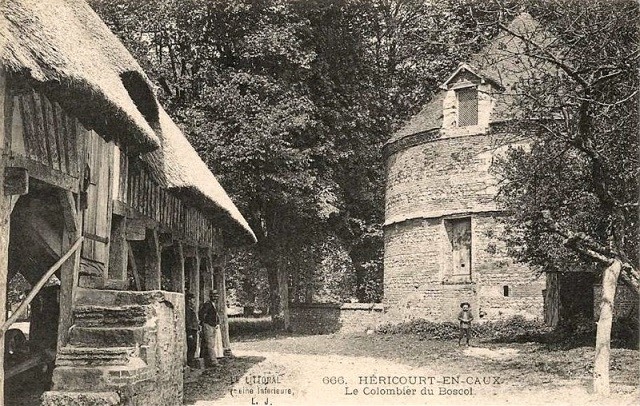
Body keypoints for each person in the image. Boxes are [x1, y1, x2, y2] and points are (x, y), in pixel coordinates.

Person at [199, 290, 223, 367]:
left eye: (216, 296)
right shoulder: (207, 304)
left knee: (209, 344)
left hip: (212, 325)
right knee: (210, 344)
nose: (215, 297)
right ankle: (214, 362)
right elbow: (202, 314)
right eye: (214, 296)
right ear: (210, 296)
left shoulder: (213, 304)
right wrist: (204, 323)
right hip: (208, 325)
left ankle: (206, 360)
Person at [185, 293, 199, 367]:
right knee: (191, 347)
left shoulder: (190, 309)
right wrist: (190, 333)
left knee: (193, 347)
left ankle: (191, 362)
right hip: (191, 331)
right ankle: (190, 363)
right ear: (189, 300)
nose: (194, 301)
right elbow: (188, 322)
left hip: (194, 330)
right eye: (192, 299)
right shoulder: (188, 310)